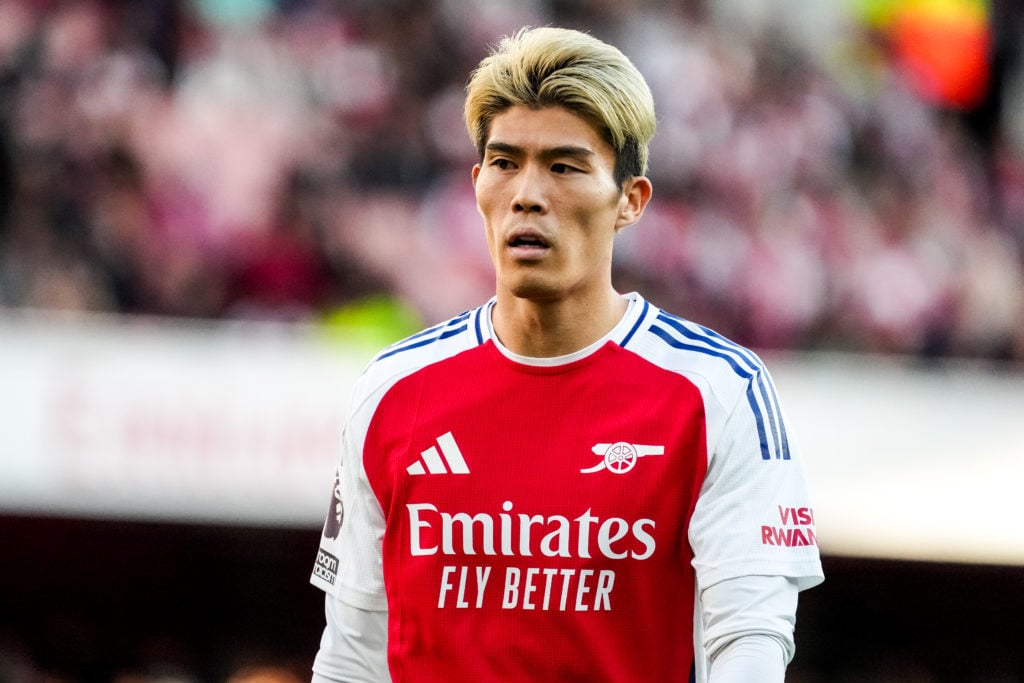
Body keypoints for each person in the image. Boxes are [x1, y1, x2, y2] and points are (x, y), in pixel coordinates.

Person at [309, 26, 823, 682]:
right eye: (505, 162)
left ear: (629, 201)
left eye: (564, 166)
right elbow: (352, 653)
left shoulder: (719, 391)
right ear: (476, 185)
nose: (527, 192)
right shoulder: (393, 389)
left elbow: (749, 643)